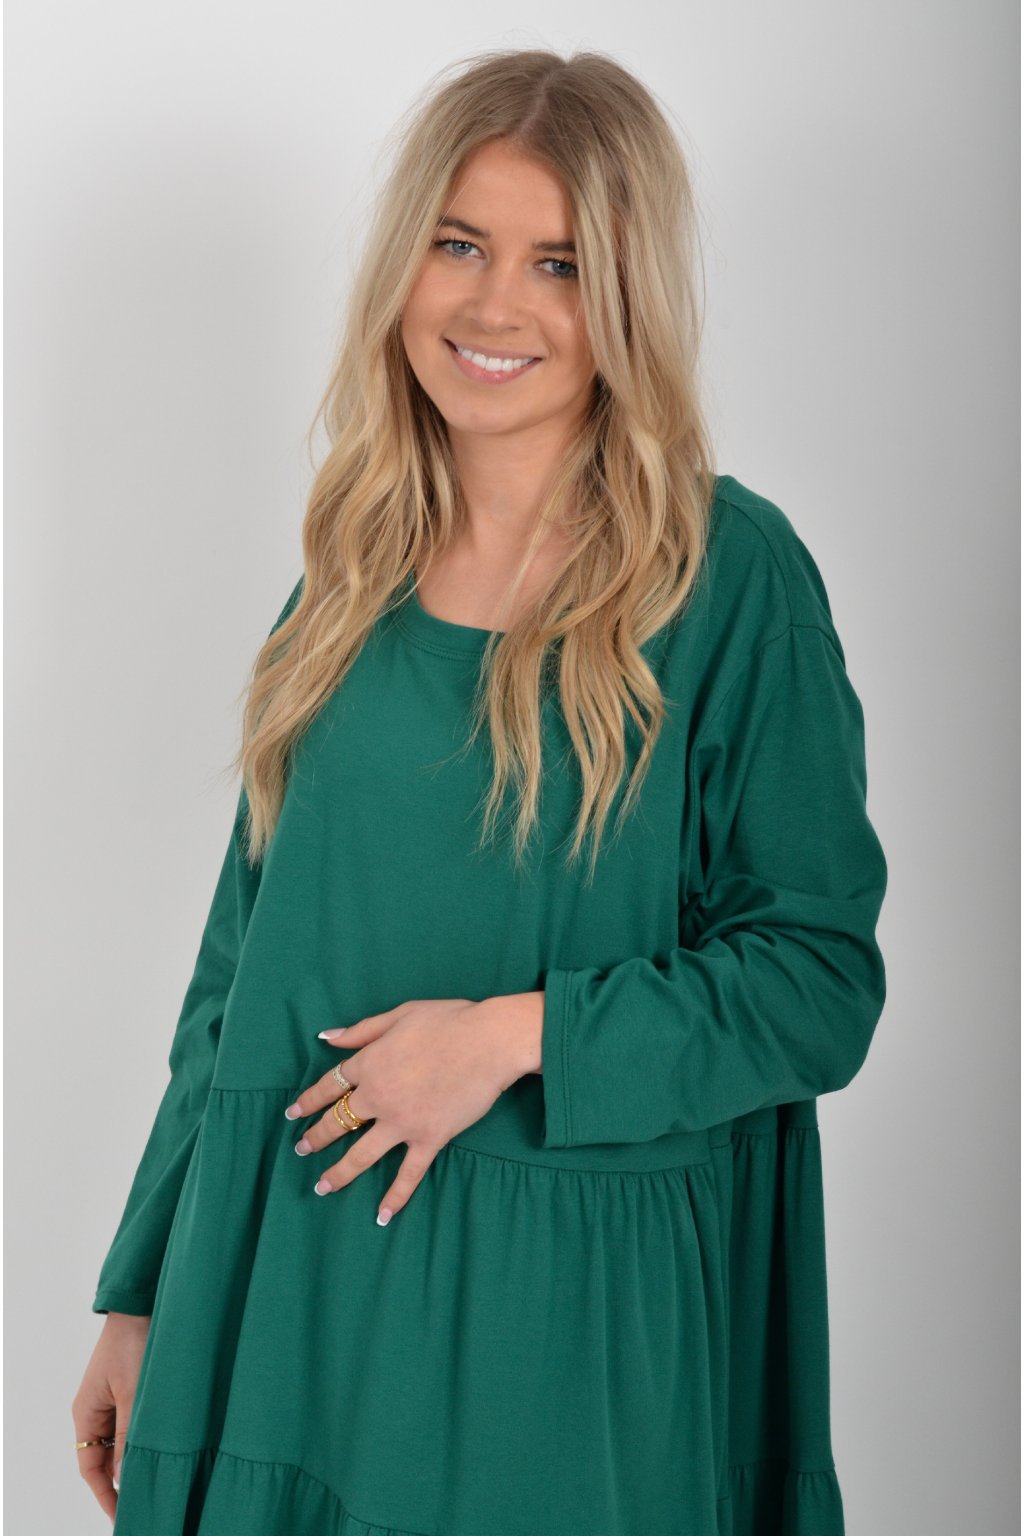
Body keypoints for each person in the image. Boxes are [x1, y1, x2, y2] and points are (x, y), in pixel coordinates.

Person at [72, 46, 888, 1536]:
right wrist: (142, 1293)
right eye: (459, 244)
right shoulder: (348, 578)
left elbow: (817, 984)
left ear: (626, 299)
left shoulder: (728, 579)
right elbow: (236, 975)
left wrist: (511, 1040)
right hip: (289, 1304)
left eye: (558, 264)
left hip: (557, 1338)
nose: (495, 304)